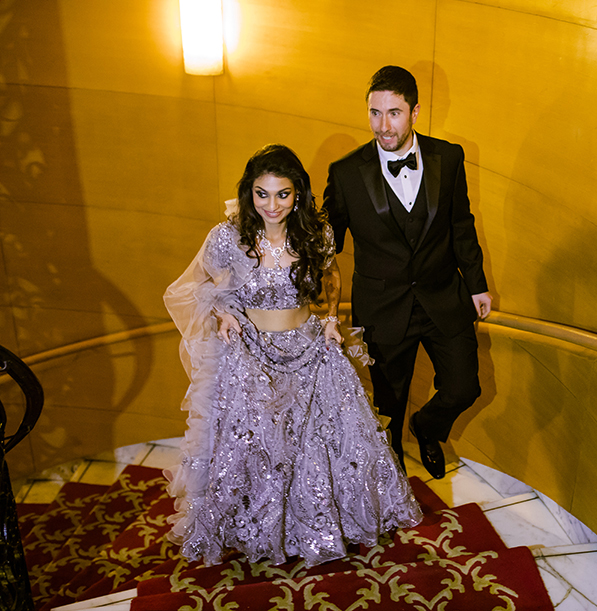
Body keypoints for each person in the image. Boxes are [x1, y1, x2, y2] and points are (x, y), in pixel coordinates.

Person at [163, 144, 422, 568]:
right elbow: (202, 286)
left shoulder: (316, 233)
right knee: (260, 448)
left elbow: (331, 273)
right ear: (249, 193)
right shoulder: (227, 237)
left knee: (319, 445)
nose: (272, 205)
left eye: (282, 194)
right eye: (262, 194)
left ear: (297, 193)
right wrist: (224, 313)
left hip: (309, 347)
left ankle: (316, 529)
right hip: (250, 353)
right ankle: (258, 530)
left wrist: (332, 318)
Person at [324, 66, 492, 480]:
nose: (383, 125)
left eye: (394, 113)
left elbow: (461, 224)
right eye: (375, 113)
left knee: (464, 387)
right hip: (382, 309)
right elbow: (326, 242)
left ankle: (428, 427)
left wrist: (477, 284)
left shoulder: (448, 157)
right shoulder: (345, 173)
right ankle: (394, 480)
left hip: (443, 296)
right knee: (389, 408)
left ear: (415, 112)